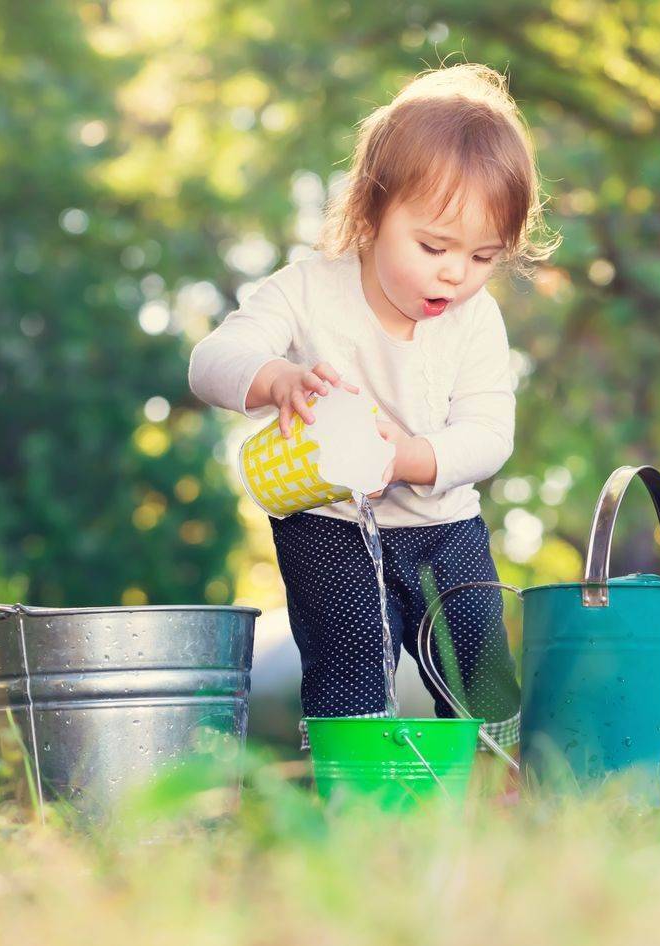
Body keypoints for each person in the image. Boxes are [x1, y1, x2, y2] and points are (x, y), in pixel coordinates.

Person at [189, 63, 557, 753]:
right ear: (370, 212)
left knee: (479, 670)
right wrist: (275, 379)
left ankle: (497, 793)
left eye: (484, 256)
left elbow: (489, 435)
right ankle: (357, 803)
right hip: (327, 528)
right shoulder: (304, 292)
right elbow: (208, 362)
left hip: (444, 528)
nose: (457, 273)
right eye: (434, 246)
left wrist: (407, 459)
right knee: (350, 672)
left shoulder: (474, 322)